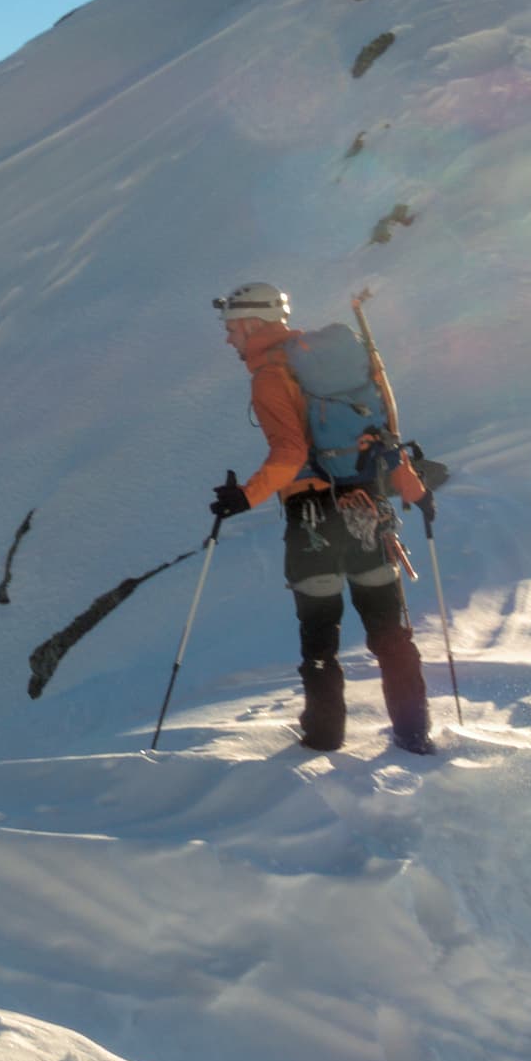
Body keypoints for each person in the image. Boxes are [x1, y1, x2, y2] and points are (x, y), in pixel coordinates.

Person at [206, 282, 436, 755]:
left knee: (320, 638)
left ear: (254, 324)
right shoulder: (337, 362)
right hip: (367, 506)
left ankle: (324, 736)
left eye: (232, 328)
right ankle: (414, 735)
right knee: (389, 631)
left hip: (313, 517)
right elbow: (386, 432)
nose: (229, 339)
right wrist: (414, 490)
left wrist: (243, 498)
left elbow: (290, 453)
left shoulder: (272, 374)